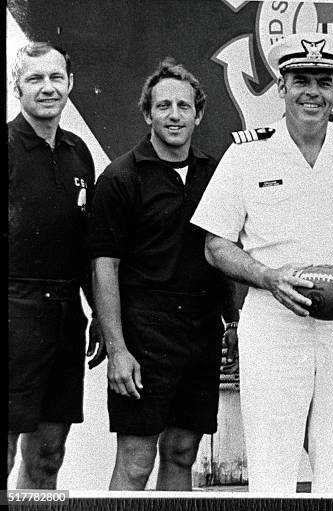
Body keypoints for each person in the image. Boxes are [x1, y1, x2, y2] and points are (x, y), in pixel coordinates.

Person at [190, 32, 333, 494]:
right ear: (281, 87)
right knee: (271, 459)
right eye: (302, 80)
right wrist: (268, 277)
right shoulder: (247, 154)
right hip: (273, 318)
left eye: (324, 81)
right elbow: (216, 245)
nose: (313, 91)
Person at [89, 58, 238, 491]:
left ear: (199, 114)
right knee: (136, 463)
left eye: (184, 106)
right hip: (143, 336)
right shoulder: (120, 177)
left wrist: (232, 322)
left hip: (200, 334)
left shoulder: (215, 174)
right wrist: (117, 349)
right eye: (163, 106)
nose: (174, 115)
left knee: (182, 455)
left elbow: (221, 252)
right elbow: (104, 266)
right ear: (147, 114)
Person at [8, 42, 102, 488]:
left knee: (49, 454)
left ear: (70, 84)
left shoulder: (78, 152)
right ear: (16, 88)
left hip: (65, 315)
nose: (47, 88)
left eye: (56, 78)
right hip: (13, 311)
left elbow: (86, 246)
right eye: (34, 79)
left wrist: (100, 312)